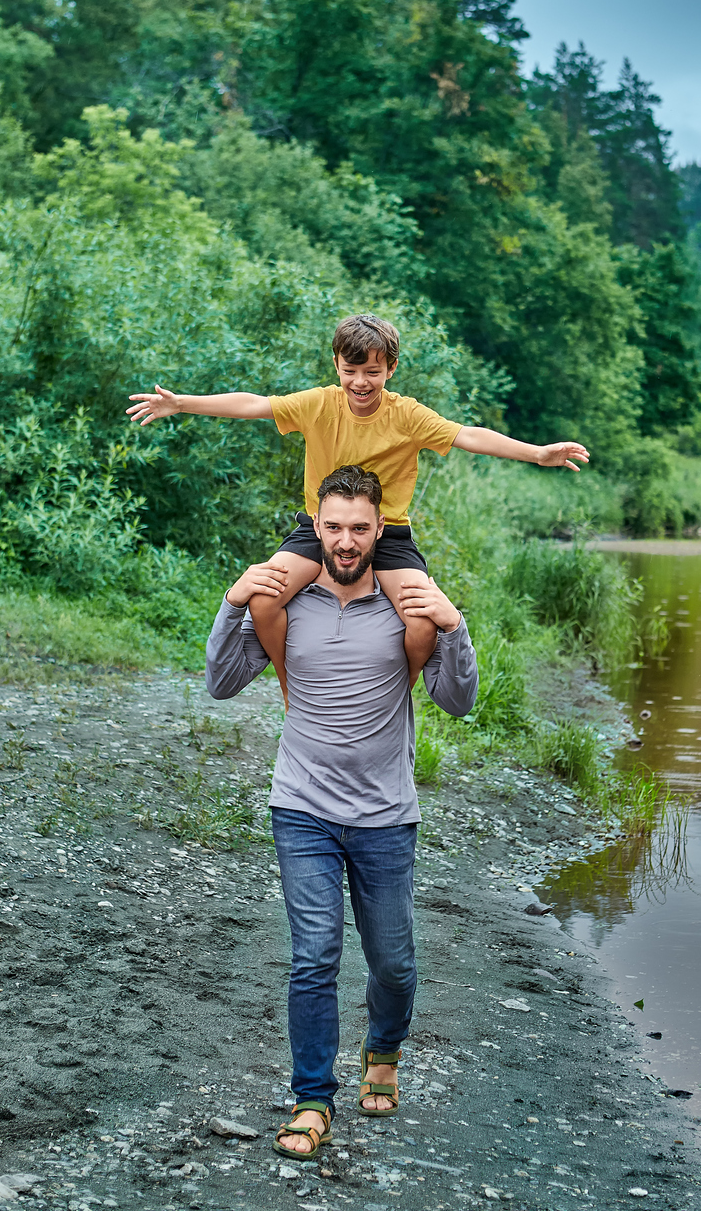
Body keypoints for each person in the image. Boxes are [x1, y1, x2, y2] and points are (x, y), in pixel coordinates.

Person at [205, 464, 478, 1160]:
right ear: (315, 526)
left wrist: (453, 624)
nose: (347, 541)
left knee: (393, 963)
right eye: (334, 527)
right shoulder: (287, 603)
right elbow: (221, 682)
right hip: (302, 808)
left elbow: (457, 699)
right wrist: (233, 602)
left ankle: (384, 1047)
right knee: (314, 956)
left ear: (380, 529)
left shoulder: (406, 604)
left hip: (386, 813)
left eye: (361, 528)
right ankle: (312, 1099)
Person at [129, 312, 588, 703]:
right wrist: (180, 403)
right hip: (319, 530)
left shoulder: (407, 414)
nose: (361, 382)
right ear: (337, 365)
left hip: (389, 537)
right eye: (351, 370)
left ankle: (396, 694)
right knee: (264, 598)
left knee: (423, 620)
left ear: (390, 368)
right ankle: (291, 692)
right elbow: (254, 405)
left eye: (372, 370)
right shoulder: (318, 404)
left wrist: (538, 453)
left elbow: (467, 435)